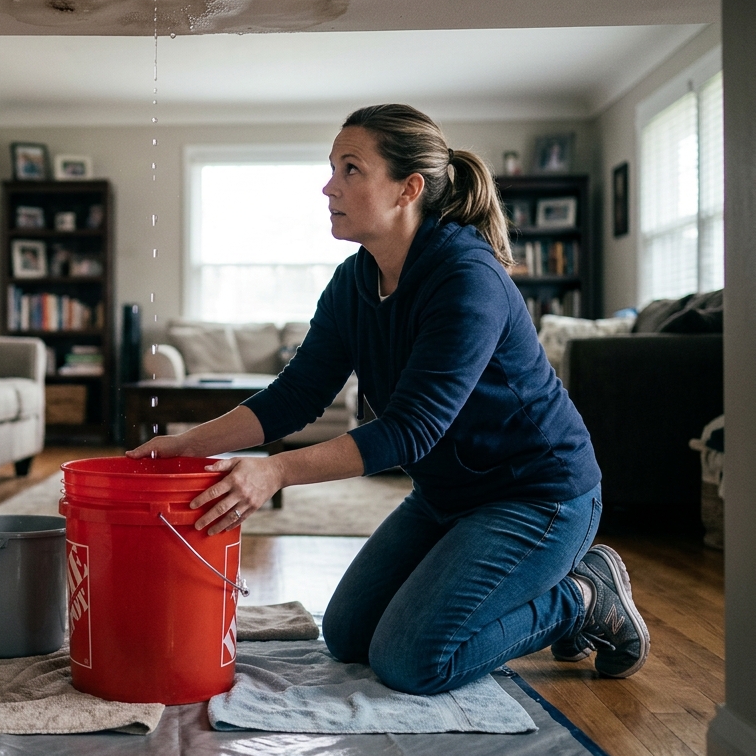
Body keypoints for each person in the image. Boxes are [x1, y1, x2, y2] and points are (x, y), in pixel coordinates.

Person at [127, 104, 649, 695]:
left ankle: (584, 597)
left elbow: (410, 430)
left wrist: (274, 471)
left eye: (350, 169)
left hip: (537, 497)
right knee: (347, 636)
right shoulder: (353, 282)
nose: (329, 187)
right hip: (445, 497)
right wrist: (185, 445)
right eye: (332, 168)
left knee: (412, 661)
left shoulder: (466, 277)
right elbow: (296, 396)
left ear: (409, 189)